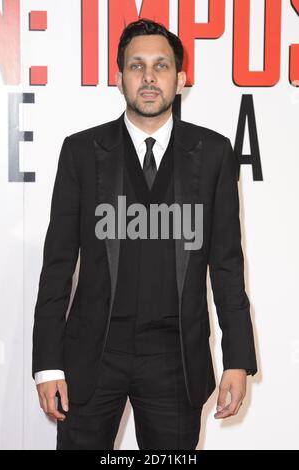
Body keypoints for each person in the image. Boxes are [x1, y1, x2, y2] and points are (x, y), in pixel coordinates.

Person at [32, 18, 257, 450]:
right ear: (119, 79)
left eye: (161, 66)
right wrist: (47, 364)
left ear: (181, 79)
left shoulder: (212, 155)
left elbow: (227, 265)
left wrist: (238, 360)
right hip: (91, 356)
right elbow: (57, 265)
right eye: (137, 66)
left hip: (175, 360)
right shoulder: (81, 152)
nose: (149, 77)